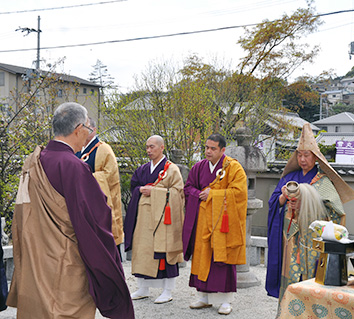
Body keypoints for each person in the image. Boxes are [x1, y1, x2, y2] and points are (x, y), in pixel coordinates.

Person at [6, 102, 134, 318]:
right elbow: (94, 220)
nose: (89, 134)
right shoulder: (73, 166)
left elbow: (21, 212)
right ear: (78, 129)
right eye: (88, 128)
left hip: (36, 254)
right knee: (66, 309)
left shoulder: (33, 161)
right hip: (65, 259)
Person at [265, 123, 354, 300]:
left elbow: (335, 212)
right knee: (290, 278)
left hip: (312, 239)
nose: (302, 159)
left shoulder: (323, 182)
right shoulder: (289, 178)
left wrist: (308, 206)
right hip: (291, 238)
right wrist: (283, 197)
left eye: (306, 155)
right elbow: (274, 203)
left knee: (312, 279)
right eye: (299, 155)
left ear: (315, 158)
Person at [183, 134, 248, 316]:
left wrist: (214, 194)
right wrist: (200, 195)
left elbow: (239, 193)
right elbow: (188, 189)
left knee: (222, 260)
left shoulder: (233, 168)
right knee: (202, 257)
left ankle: (226, 300)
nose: (208, 152)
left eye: (213, 148)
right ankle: (203, 296)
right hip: (203, 222)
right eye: (206, 147)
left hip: (224, 224)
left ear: (222, 150)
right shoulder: (199, 167)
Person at [124, 135, 185, 304]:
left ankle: (167, 290)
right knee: (142, 250)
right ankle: (143, 287)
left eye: (152, 147)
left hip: (163, 219)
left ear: (162, 147)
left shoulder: (171, 169)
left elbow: (178, 193)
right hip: (143, 217)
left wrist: (156, 192)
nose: (149, 150)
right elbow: (134, 187)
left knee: (163, 252)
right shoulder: (143, 169)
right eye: (147, 147)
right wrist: (141, 190)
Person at [76, 117, 124, 255]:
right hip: (80, 204)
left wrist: (85, 178)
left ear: (94, 130)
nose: (83, 131)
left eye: (87, 127)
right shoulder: (77, 149)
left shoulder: (104, 149)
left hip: (99, 204)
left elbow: (110, 177)